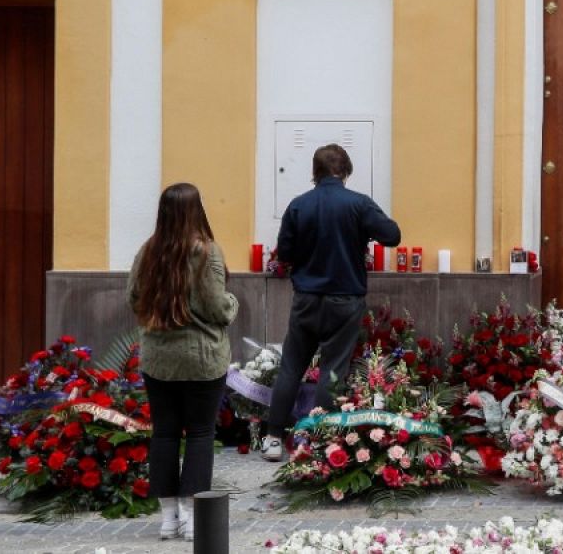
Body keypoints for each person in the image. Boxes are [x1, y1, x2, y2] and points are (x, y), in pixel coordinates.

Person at [261, 144, 401, 461]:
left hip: (307, 299)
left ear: (315, 172)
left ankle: (272, 439)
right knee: (332, 370)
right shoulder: (358, 204)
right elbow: (392, 235)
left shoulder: (298, 205)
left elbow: (285, 255)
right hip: (345, 299)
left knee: (291, 367)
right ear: (346, 171)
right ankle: (317, 439)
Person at [127, 183, 239, 541]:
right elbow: (216, 305)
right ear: (197, 211)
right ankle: (192, 517)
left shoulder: (148, 251)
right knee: (200, 434)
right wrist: (233, 304)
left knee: (164, 433)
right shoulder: (207, 252)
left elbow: (133, 296)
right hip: (202, 358)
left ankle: (168, 518)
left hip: (159, 358)